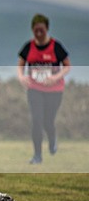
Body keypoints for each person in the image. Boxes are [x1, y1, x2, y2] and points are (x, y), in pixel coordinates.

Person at [16, 13, 70, 164]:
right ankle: (37, 156)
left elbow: (67, 66)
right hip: (35, 89)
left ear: (47, 29)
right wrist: (21, 77)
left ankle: (52, 139)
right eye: (36, 31)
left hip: (54, 91)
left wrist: (55, 77)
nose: (39, 34)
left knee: (48, 122)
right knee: (37, 121)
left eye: (42, 30)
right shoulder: (28, 47)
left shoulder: (56, 46)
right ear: (32, 29)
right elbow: (20, 65)